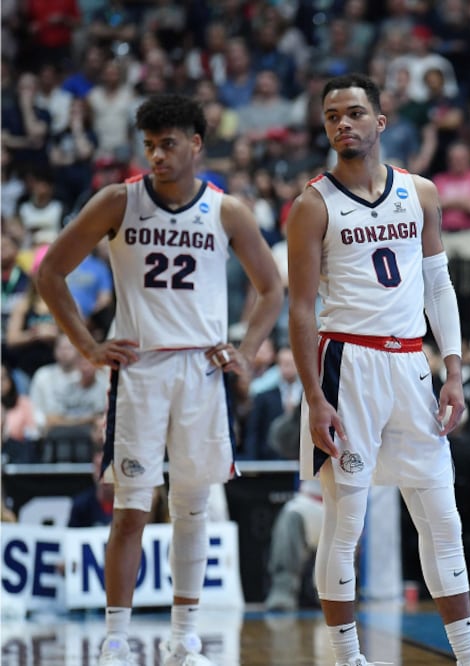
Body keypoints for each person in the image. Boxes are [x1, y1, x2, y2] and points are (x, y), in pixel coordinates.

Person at [36, 93, 284, 666]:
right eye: (149, 145)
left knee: (194, 508)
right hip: (140, 369)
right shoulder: (117, 201)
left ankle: (184, 637)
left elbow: (272, 289)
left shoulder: (227, 211)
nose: (157, 156)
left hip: (201, 369)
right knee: (131, 509)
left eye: (168, 144)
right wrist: (89, 344)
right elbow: (50, 272)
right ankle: (116, 639)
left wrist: (246, 351)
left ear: (196, 144)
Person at [284, 73, 470, 666]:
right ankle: (349, 658)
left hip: (412, 362)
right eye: (332, 116)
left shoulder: (422, 192)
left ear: (380, 122)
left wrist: (454, 371)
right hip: (345, 363)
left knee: (441, 511)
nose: (343, 124)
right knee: (346, 518)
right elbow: (301, 309)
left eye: (355, 113)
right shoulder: (311, 205)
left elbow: (440, 285)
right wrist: (315, 396)